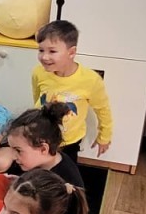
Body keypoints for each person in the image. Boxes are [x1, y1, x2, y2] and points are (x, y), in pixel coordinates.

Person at [32, 20, 113, 160]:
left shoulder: (91, 80)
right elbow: (37, 98)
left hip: (70, 142)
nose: (44, 57)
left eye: (52, 51)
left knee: (66, 171)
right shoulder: (38, 72)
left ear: (71, 52)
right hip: (41, 136)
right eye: (41, 50)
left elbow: (103, 110)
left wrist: (104, 137)